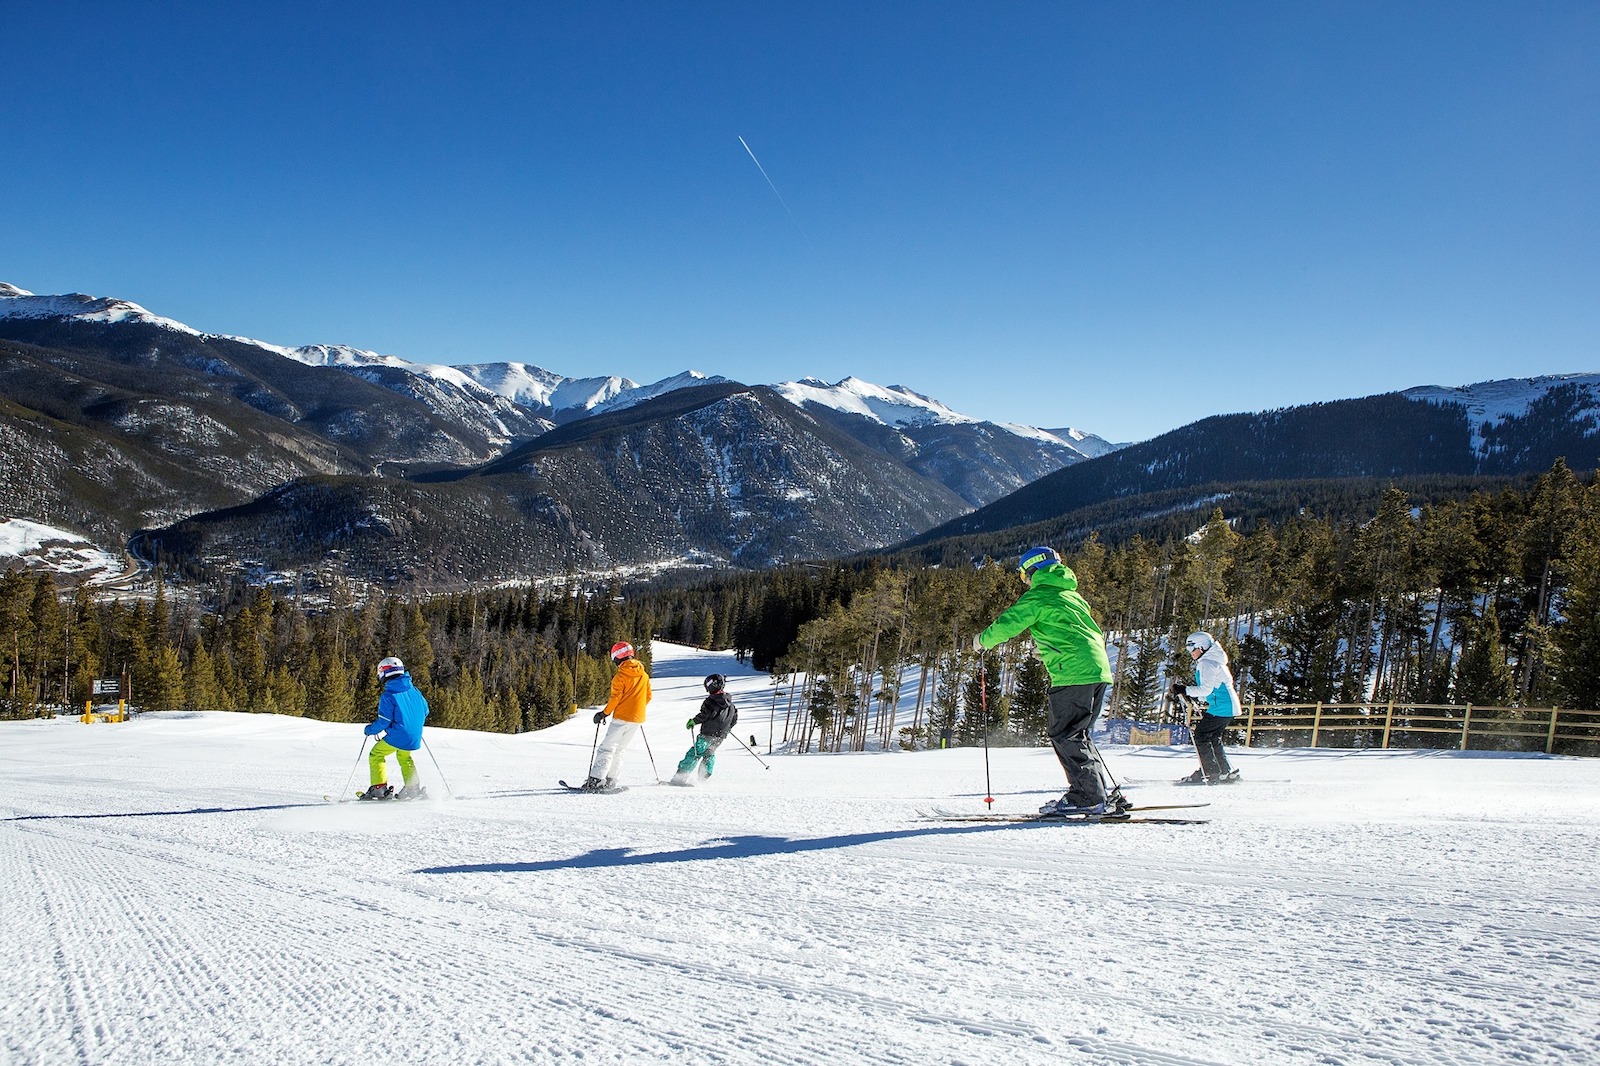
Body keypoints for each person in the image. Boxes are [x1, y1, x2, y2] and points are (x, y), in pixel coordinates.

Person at [974, 546, 1123, 816]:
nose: (1025, 582)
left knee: (1065, 734)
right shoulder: (1072, 596)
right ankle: (1098, 793)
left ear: (1032, 570)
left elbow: (1010, 622)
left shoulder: (1039, 597)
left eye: (1023, 576)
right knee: (1079, 735)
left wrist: (982, 641)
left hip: (1072, 673)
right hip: (1098, 670)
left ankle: (1087, 797)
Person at [580, 642, 652, 792]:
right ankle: (611, 780)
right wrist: (636, 708)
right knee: (620, 750)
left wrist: (604, 713)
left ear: (617, 657)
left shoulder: (620, 676)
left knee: (607, 749)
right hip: (637, 719)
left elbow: (615, 699)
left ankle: (596, 780)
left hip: (621, 718)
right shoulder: (644, 675)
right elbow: (648, 696)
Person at [1174, 631, 1242, 785]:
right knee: (1212, 737)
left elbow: (1206, 689)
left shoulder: (1207, 663)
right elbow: (1210, 692)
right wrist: (1192, 694)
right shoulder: (1212, 661)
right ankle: (1223, 771)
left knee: (1201, 735)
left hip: (1222, 707)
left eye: (1192, 648)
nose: (1190, 652)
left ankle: (1211, 771)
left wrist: (1184, 689)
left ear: (1202, 647)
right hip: (1226, 706)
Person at [360, 656, 430, 800]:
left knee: (376, 754)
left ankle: (378, 788)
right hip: (414, 734)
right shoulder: (414, 690)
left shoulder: (389, 694)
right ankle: (413, 788)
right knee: (404, 756)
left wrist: (370, 730)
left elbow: (384, 721)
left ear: (384, 672)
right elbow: (425, 710)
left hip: (399, 734)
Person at [671, 674, 739, 785]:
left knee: (695, 753)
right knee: (709, 753)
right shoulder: (731, 705)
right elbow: (734, 718)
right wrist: (727, 728)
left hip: (707, 734)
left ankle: (680, 777)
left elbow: (705, 714)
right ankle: (703, 777)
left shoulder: (711, 701)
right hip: (720, 737)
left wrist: (694, 721)